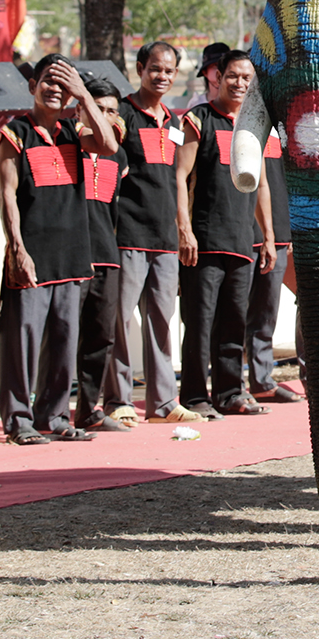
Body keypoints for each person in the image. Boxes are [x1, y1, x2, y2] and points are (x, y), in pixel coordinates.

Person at [0, 54, 120, 445]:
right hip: (32, 254)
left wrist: (83, 95)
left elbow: (110, 144)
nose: (54, 89)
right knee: (23, 342)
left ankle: (54, 415)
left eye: (62, 83)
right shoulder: (15, 132)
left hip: (73, 253)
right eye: (48, 81)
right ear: (32, 86)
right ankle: (19, 420)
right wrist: (17, 247)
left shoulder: (72, 131)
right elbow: (7, 195)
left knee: (66, 342)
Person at [176, 51, 277, 418]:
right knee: (200, 324)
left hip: (241, 241)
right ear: (217, 78)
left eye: (247, 78)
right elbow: (178, 177)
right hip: (203, 241)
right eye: (233, 76)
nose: (240, 83)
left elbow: (262, 185)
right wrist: (184, 230)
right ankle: (193, 397)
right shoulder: (198, 120)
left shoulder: (253, 125)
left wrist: (267, 236)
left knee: (235, 321)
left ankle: (230, 392)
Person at [105, 42, 202, 425]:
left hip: (165, 239)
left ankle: (163, 403)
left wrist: (183, 228)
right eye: (155, 69)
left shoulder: (174, 122)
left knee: (162, 320)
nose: (162, 77)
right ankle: (118, 400)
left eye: (169, 71)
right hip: (127, 233)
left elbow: (179, 180)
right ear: (140, 68)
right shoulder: (123, 114)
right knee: (120, 320)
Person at [73, 75, 133, 433]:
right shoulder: (69, 145)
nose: (106, 116)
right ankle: (47, 412)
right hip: (73, 254)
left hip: (107, 254)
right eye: (98, 109)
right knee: (65, 337)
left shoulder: (118, 155)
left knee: (101, 337)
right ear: (82, 109)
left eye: (111, 110)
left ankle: (88, 410)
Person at [245, 123, 300, 403]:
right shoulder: (231, 124)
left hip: (277, 232)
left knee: (266, 311)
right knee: (229, 313)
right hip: (238, 233)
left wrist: (286, 230)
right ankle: (223, 386)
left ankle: (261, 381)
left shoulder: (282, 130)